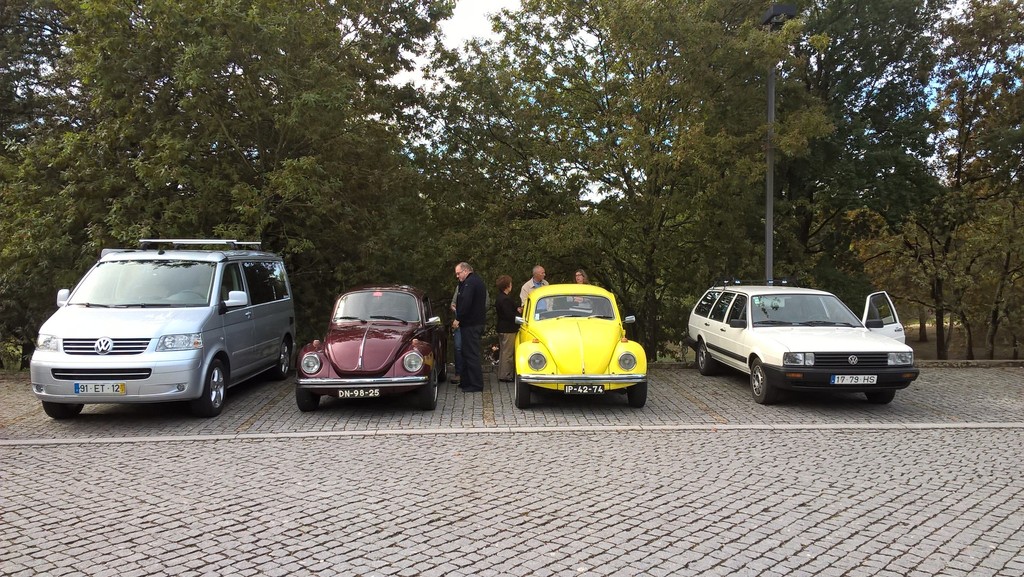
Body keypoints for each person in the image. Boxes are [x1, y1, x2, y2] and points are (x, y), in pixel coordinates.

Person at [453, 262, 487, 393]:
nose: (457, 276)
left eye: (459, 273)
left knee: (471, 354)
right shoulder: (472, 282)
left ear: (466, 271)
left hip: (472, 324)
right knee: (466, 352)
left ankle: (476, 384)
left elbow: (466, 302)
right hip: (473, 323)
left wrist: (458, 318)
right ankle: (466, 381)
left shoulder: (471, 283)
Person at [494, 275, 518, 383]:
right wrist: (518, 316)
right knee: (508, 353)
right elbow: (509, 315)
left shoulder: (500, 297)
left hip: (502, 327)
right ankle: (506, 375)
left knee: (503, 352)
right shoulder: (506, 299)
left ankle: (502, 373)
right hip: (508, 329)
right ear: (507, 286)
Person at [449, 284, 462, 385]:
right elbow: (453, 304)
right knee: (458, 347)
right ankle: (458, 373)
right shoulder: (459, 287)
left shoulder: (478, 286)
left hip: (471, 323)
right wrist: (455, 308)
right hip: (459, 324)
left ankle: (470, 374)